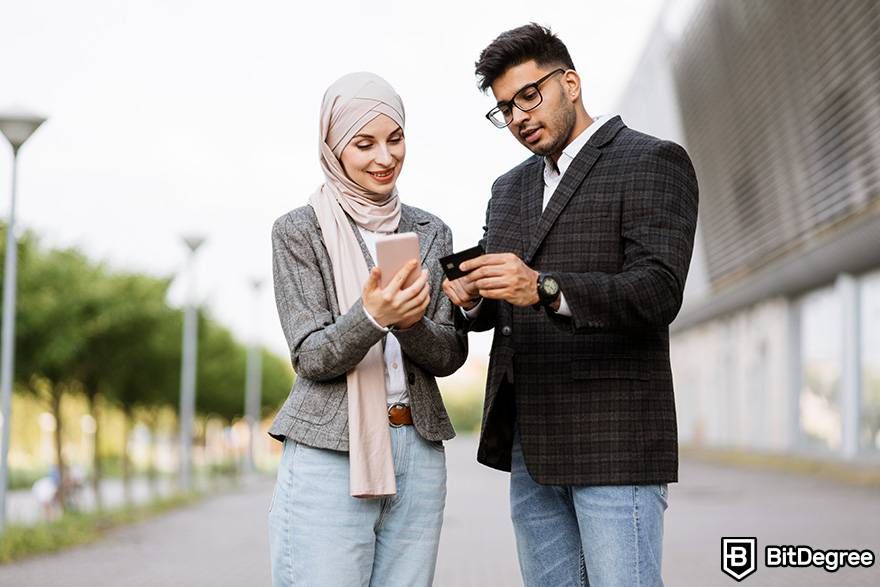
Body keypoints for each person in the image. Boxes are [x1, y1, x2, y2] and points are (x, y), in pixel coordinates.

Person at [442, 24, 699, 586]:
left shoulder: (652, 160)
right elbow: (502, 304)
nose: (518, 117)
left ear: (571, 83)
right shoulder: (506, 188)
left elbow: (658, 290)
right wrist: (470, 299)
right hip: (529, 447)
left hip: (614, 443)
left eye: (528, 96)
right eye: (505, 108)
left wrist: (543, 287)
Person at [267, 71, 467, 587]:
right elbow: (311, 356)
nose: (385, 157)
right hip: (330, 452)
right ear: (334, 148)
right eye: (365, 143)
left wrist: (408, 323)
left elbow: (448, 355)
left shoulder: (430, 231)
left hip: (418, 451)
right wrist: (373, 315)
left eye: (395, 139)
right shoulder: (298, 230)